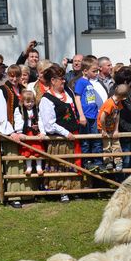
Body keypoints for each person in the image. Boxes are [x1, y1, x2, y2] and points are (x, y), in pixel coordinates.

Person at [38, 65, 81, 202]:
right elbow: (49, 125)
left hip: (73, 135)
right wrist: (65, 132)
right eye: (61, 79)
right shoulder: (46, 99)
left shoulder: (67, 93)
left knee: (74, 163)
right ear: (52, 80)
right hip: (59, 139)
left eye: (63, 78)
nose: (63, 81)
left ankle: (74, 189)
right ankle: (62, 191)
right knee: (61, 164)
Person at [0, 64, 33, 208]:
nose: (14, 78)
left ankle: (27, 193)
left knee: (26, 161)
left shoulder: (23, 90)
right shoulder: (2, 91)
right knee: (14, 164)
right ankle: (14, 196)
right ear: (7, 75)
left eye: (17, 75)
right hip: (10, 133)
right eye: (11, 75)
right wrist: (11, 132)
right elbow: (1, 114)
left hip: (25, 132)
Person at [74, 57, 103, 171]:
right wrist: (81, 115)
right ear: (85, 71)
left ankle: (98, 161)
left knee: (96, 139)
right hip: (85, 116)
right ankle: (86, 162)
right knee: (85, 141)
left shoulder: (89, 82)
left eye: (97, 71)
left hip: (93, 115)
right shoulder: (81, 82)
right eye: (94, 71)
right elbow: (77, 98)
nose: (96, 73)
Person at [14, 89, 46, 175]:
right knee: (27, 150)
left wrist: (42, 131)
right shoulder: (19, 110)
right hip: (26, 132)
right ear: (22, 102)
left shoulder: (36, 110)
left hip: (35, 132)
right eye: (27, 102)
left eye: (32, 101)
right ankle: (29, 167)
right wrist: (19, 132)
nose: (30, 104)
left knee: (38, 149)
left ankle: (39, 167)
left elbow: (41, 121)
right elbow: (18, 121)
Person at [98, 84, 128, 172]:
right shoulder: (109, 103)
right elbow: (102, 118)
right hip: (104, 127)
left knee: (116, 144)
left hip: (112, 127)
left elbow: (117, 115)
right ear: (123, 97)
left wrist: (116, 129)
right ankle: (108, 162)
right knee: (106, 145)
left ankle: (118, 162)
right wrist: (103, 130)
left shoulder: (118, 102)